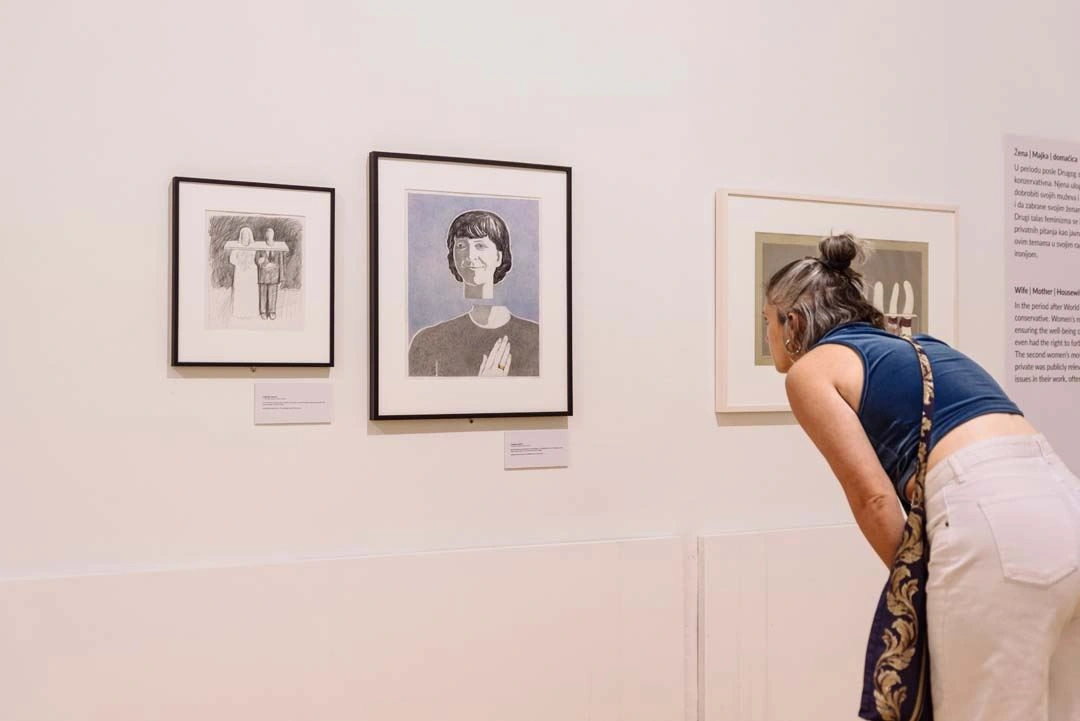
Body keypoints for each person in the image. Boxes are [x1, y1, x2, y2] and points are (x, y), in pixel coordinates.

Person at [764, 233, 1080, 720]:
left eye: (767, 321)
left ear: (794, 323)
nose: (767, 335)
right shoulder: (920, 346)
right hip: (1063, 499)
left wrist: (914, 594)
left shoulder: (809, 372)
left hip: (991, 523)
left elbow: (872, 498)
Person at [408, 209, 539, 377]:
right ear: (452, 255)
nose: (470, 255)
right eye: (461, 246)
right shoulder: (426, 342)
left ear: (499, 257)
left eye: (480, 246)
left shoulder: (536, 338)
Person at [228, 226, 259, 319]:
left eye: (247, 235)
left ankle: (251, 312)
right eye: (244, 235)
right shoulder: (236, 247)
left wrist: (252, 264)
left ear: (250, 236)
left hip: (251, 273)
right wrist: (240, 263)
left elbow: (256, 259)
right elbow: (232, 259)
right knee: (240, 292)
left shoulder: (254, 248)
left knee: (250, 292)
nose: (246, 237)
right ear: (241, 236)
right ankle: (239, 313)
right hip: (240, 272)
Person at [255, 227, 282, 320]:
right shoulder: (260, 247)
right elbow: (256, 260)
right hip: (263, 275)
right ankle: (263, 312)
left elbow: (280, 262)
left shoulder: (278, 248)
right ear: (265, 236)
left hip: (274, 275)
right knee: (263, 294)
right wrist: (260, 261)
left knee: (273, 294)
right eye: (267, 234)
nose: (269, 236)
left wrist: (281, 276)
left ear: (273, 235)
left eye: (271, 234)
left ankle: (272, 311)